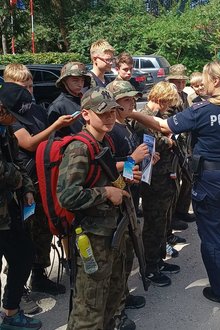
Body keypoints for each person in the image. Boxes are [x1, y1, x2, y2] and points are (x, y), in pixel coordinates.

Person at [128, 60, 220, 306]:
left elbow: (164, 126)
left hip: (212, 180)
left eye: (204, 79)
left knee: (214, 236)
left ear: (215, 81)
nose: (201, 84)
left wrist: (131, 113)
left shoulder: (201, 110)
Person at [57, 86, 130, 330]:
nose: (110, 117)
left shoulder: (104, 140)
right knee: (90, 304)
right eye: (103, 113)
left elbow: (107, 175)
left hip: (112, 232)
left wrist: (124, 183)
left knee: (112, 293)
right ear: (86, 115)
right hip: (93, 236)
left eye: (113, 112)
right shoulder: (80, 148)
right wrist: (107, 193)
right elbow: (67, 196)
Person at [4, 64, 76, 299]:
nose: (29, 90)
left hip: (41, 177)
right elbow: (29, 143)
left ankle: (38, 275)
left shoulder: (34, 109)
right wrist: (56, 126)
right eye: (23, 86)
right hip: (22, 182)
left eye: (31, 85)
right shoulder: (10, 114)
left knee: (44, 229)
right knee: (26, 233)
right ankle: (19, 286)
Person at [107, 80, 150, 330]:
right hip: (118, 199)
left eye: (132, 98)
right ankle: (116, 310)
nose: (131, 103)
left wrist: (145, 158)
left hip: (131, 196)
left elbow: (131, 160)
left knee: (128, 252)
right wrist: (132, 161)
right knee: (118, 255)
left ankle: (123, 295)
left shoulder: (127, 126)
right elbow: (109, 168)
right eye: (125, 100)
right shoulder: (111, 131)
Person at [0, 82, 42, 329]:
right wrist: (18, 179)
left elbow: (17, 163)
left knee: (24, 254)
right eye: (13, 117)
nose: (16, 122)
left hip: (8, 208)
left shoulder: (6, 131)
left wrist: (26, 187)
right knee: (22, 254)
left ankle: (11, 312)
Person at [133, 81, 181, 287]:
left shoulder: (159, 117)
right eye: (168, 102)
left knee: (162, 221)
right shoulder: (143, 118)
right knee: (153, 224)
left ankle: (159, 259)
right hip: (152, 179)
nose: (169, 106)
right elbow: (148, 144)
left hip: (164, 176)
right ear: (161, 99)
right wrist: (168, 141)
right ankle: (150, 267)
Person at [166, 64, 196, 230]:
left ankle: (182, 210)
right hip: (173, 146)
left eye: (183, 81)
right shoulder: (168, 98)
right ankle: (173, 217)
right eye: (176, 82)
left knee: (188, 179)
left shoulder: (185, 97)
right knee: (174, 182)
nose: (180, 85)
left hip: (185, 145)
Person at [48, 61, 91, 136]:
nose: (80, 84)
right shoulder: (57, 106)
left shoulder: (86, 100)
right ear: (64, 81)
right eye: (75, 80)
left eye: (82, 80)